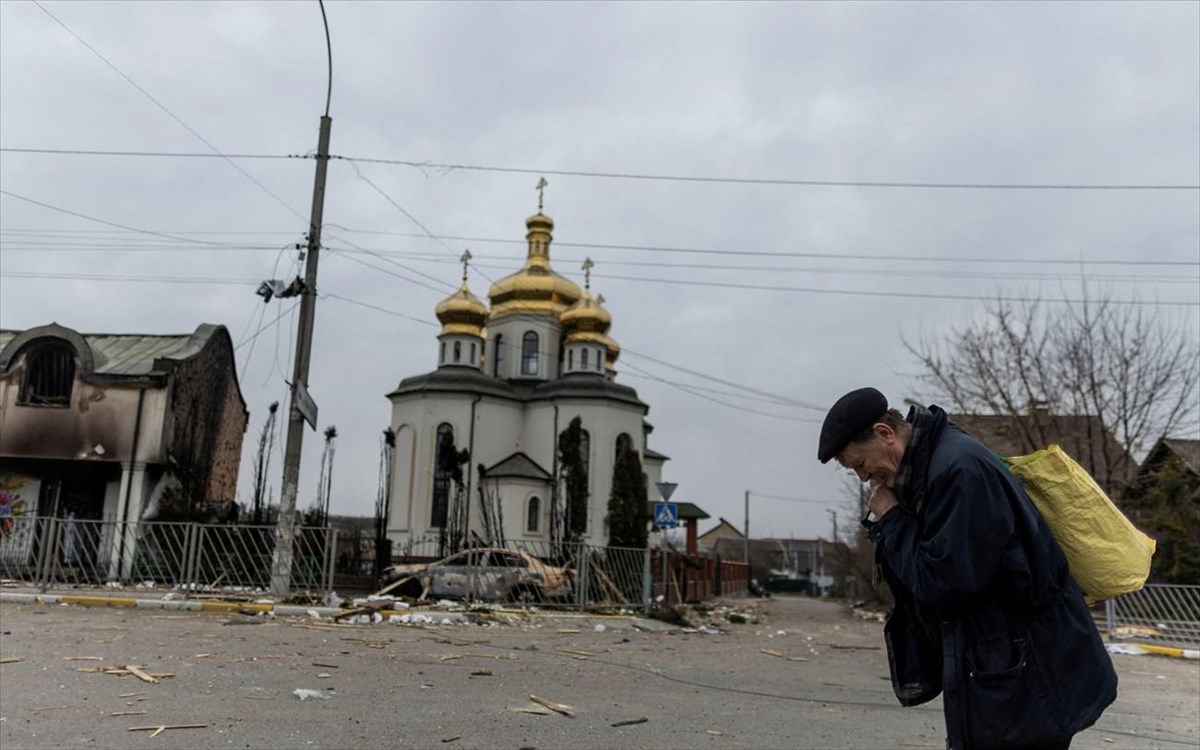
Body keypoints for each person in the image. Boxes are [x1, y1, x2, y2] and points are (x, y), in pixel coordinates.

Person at [817, 388, 1116, 750]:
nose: (865, 478)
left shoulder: (959, 471)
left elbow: (945, 584)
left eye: (860, 465)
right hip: (1007, 668)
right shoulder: (938, 464)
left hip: (1028, 675)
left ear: (885, 434)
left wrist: (893, 520)